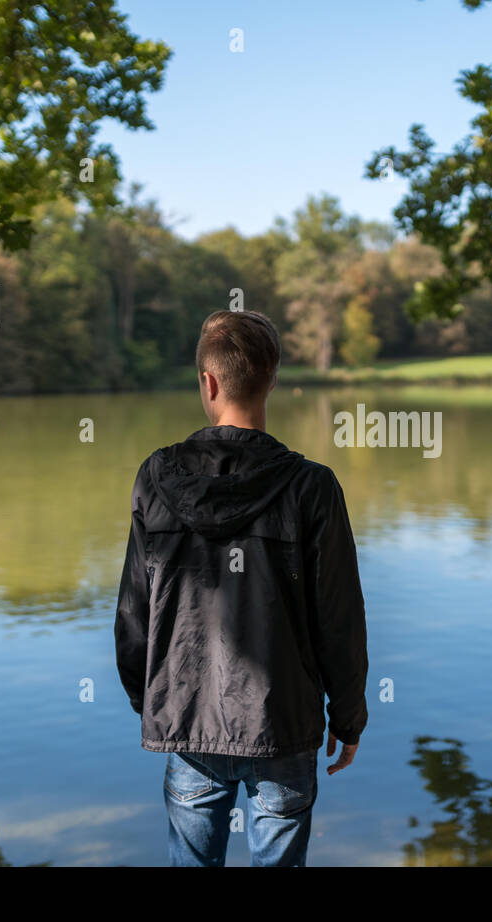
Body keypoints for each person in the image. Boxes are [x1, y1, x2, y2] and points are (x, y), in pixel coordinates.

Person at [114, 309, 368, 867]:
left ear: (208, 382)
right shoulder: (312, 486)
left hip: (188, 719)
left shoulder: (154, 477)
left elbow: (133, 611)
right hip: (284, 725)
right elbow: (340, 620)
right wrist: (348, 716)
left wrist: (151, 699)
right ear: (272, 378)